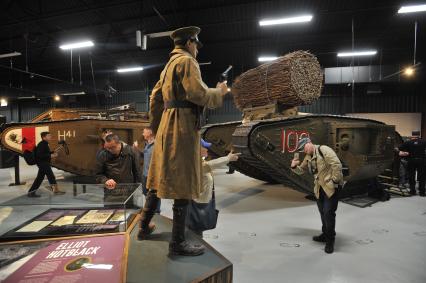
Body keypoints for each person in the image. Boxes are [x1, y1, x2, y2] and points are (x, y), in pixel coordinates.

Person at [138, 26, 228, 257]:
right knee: (184, 182)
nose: (197, 48)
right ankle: (177, 243)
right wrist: (219, 92)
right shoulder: (187, 62)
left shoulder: (168, 66)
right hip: (183, 127)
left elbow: (155, 98)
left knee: (157, 178)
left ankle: (143, 226)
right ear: (189, 42)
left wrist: (158, 128)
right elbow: (197, 94)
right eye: (196, 44)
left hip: (167, 126)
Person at [290, 137, 343, 254]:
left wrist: (334, 181)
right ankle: (325, 234)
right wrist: (294, 166)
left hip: (330, 188)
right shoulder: (308, 157)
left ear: (309, 143)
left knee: (329, 213)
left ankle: (330, 240)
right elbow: (301, 171)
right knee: (323, 213)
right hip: (319, 188)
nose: (303, 152)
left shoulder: (323, 150)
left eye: (303, 148)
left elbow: (337, 165)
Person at [189, 139, 240, 236]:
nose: (208, 149)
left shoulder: (199, 161)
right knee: (197, 227)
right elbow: (209, 165)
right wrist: (228, 158)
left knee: (198, 227)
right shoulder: (195, 164)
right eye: (205, 147)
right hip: (199, 202)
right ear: (196, 149)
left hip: (202, 201)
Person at [27, 132, 65, 197]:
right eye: (48, 136)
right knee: (51, 176)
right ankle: (55, 190)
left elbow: (45, 153)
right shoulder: (42, 144)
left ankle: (31, 192)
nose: (50, 137)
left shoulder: (44, 144)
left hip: (43, 163)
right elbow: (40, 155)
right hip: (43, 163)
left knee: (39, 178)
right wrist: (51, 156)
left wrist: (54, 151)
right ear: (44, 137)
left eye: (50, 135)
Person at [133, 127, 161, 212]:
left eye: (144, 132)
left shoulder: (157, 145)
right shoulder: (147, 144)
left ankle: (156, 211)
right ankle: (149, 209)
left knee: (155, 193)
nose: (143, 134)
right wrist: (137, 148)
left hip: (153, 174)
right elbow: (144, 155)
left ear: (150, 133)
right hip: (145, 174)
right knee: (145, 193)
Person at [399, 131, 426, 196]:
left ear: (412, 135)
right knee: (422, 177)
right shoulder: (424, 142)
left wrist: (405, 153)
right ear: (419, 135)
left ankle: (412, 191)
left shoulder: (408, 142)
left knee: (411, 176)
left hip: (411, 161)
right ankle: (422, 192)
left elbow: (400, 149)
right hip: (421, 161)